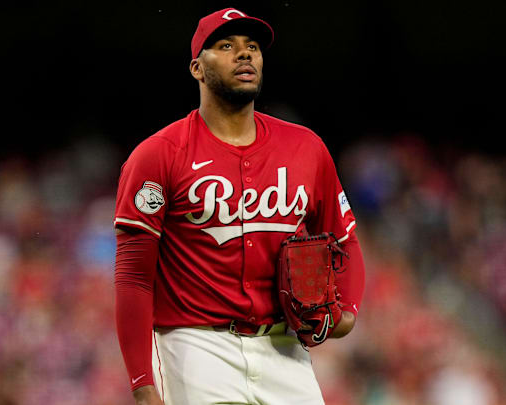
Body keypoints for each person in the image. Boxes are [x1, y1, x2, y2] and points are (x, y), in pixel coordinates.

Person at [113, 8, 366, 405]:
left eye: (252, 48)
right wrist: (143, 385)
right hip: (194, 347)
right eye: (227, 46)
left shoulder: (305, 148)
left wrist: (346, 312)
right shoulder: (157, 155)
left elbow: (345, 240)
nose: (244, 55)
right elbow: (134, 277)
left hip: (284, 348)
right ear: (197, 68)